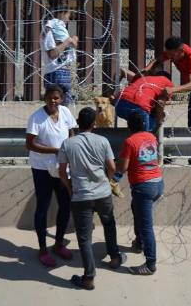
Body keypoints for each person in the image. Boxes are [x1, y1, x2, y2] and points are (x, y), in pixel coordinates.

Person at [58, 106, 124, 290]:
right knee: (109, 224)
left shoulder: (67, 144)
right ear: (94, 124)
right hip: (103, 193)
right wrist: (107, 181)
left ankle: (88, 277)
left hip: (81, 196)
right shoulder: (102, 141)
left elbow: (62, 172)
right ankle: (114, 257)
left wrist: (70, 187)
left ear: (78, 123)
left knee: (84, 237)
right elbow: (112, 167)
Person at [25, 84, 77, 267]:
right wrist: (55, 150)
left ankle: (59, 243)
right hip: (42, 168)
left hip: (62, 168)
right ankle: (42, 249)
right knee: (43, 206)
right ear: (45, 98)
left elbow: (71, 132)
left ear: (61, 99)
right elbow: (30, 145)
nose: (53, 101)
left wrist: (68, 150)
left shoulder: (65, 113)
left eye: (56, 98)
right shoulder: (37, 118)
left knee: (65, 204)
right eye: (50, 98)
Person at [115, 117, 164, 275]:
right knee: (136, 209)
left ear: (129, 127)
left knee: (146, 226)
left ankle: (150, 264)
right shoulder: (151, 137)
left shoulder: (130, 142)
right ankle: (139, 243)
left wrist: (113, 176)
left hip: (143, 187)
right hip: (157, 183)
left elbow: (123, 167)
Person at [148, 37, 191, 128]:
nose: (170, 58)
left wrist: (172, 89)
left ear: (181, 51)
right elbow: (157, 61)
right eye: (168, 55)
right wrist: (146, 70)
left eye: (172, 56)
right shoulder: (173, 51)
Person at [40, 4, 78, 104]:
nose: (68, 20)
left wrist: (71, 41)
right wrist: (68, 41)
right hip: (56, 72)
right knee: (57, 107)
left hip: (62, 71)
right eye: (68, 16)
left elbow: (72, 44)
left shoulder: (55, 28)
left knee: (64, 108)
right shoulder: (51, 27)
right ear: (61, 14)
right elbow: (52, 54)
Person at [116, 67, 173, 133]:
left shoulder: (145, 78)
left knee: (136, 125)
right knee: (149, 130)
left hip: (120, 106)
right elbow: (160, 102)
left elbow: (123, 70)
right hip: (139, 107)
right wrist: (160, 120)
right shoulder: (167, 83)